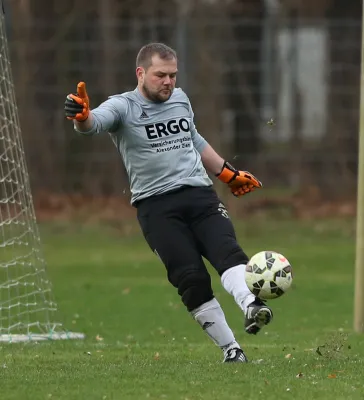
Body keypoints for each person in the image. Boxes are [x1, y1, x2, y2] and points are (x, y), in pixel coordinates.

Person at [64, 42, 273, 363]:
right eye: (161, 75)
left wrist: (227, 174)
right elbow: (92, 124)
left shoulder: (180, 99)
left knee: (228, 253)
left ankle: (252, 305)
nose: (168, 82)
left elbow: (194, 138)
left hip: (200, 195)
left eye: (173, 75)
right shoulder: (122, 106)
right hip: (157, 208)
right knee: (190, 279)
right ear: (141, 73)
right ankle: (232, 350)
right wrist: (82, 117)